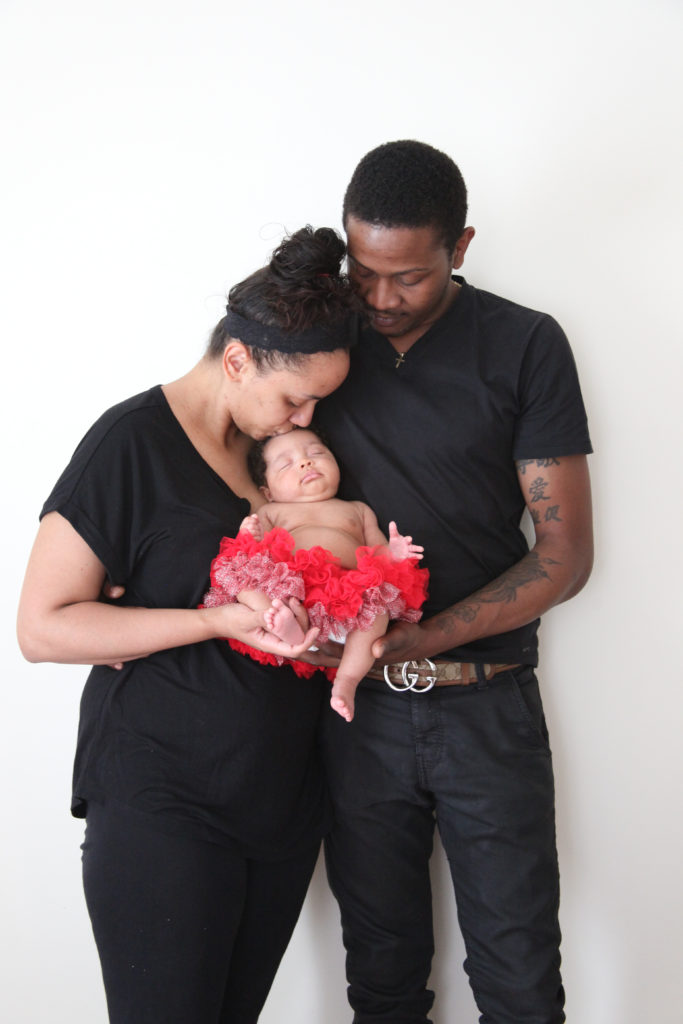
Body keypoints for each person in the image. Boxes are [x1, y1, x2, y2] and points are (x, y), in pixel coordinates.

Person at [16, 226, 359, 1024]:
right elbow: (43, 628)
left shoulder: (272, 461)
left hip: (278, 807)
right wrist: (220, 622)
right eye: (293, 398)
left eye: (317, 405)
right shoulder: (130, 444)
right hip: (163, 801)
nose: (303, 420)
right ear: (237, 359)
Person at [314, 141, 594, 1023]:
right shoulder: (320, 344)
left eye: (411, 278)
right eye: (364, 272)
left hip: (489, 708)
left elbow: (563, 554)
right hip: (354, 719)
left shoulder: (524, 343)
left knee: (518, 985)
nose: (382, 300)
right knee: (382, 984)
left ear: (461, 248)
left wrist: (419, 637)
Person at [201, 425, 428, 721]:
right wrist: (249, 534)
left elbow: (378, 554)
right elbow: (255, 553)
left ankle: (347, 680)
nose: (306, 462)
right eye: (286, 463)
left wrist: (395, 553)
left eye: (316, 453)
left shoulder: (358, 510)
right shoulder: (272, 512)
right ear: (267, 491)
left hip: (346, 600)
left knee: (379, 604)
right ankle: (285, 628)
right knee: (240, 569)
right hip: (292, 590)